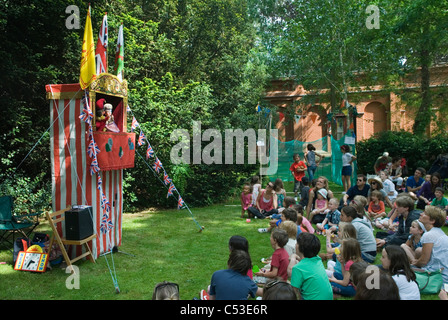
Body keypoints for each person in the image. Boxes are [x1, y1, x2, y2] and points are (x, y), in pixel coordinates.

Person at [288, 232, 333, 300]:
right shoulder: (318, 259)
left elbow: (293, 293)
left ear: (300, 247)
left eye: (297, 243)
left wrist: (292, 259)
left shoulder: (298, 268)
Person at [412, 205, 448, 284]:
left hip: (437, 276)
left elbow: (424, 261)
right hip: (444, 273)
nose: (421, 214)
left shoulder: (429, 235)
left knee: (402, 269)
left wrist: (414, 263)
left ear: (432, 221)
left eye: (425, 213)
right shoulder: (440, 233)